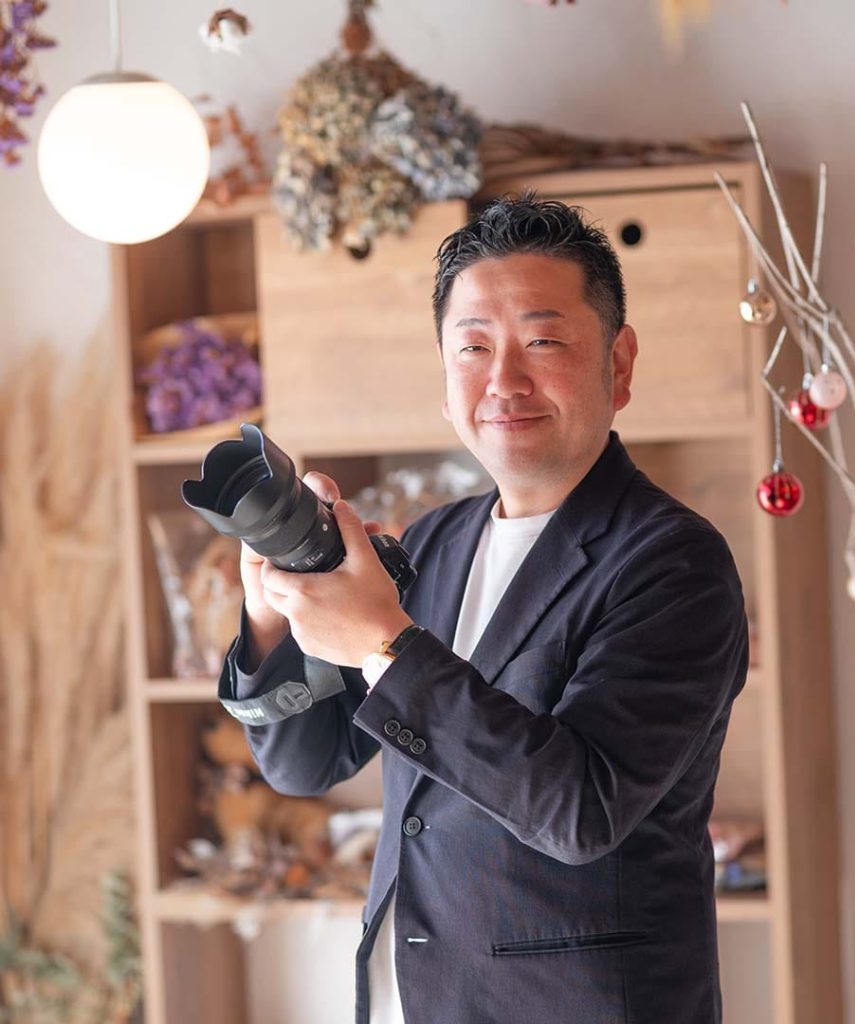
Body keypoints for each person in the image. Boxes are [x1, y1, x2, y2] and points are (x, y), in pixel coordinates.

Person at [218, 192, 749, 1024]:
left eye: (543, 341)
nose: (504, 380)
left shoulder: (673, 561)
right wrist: (271, 618)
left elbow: (581, 808)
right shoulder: (433, 542)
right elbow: (305, 764)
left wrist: (384, 642)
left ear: (619, 364)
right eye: (472, 347)